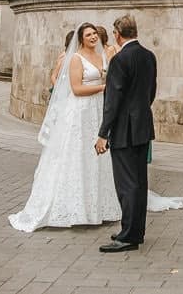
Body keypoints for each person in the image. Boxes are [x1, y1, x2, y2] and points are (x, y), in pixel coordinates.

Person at [10, 23, 122, 231]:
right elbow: (77, 89)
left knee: (96, 156)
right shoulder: (75, 59)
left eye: (94, 34)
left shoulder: (101, 56)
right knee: (76, 153)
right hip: (81, 110)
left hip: (97, 109)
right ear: (80, 39)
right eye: (88, 34)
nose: (93, 37)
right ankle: (72, 207)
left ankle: (98, 207)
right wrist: (104, 87)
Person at [96, 14, 162, 252]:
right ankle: (135, 230)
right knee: (139, 182)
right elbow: (151, 91)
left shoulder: (120, 60)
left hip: (124, 129)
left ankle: (128, 236)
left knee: (126, 184)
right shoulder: (149, 56)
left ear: (117, 34)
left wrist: (103, 133)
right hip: (143, 125)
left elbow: (112, 100)